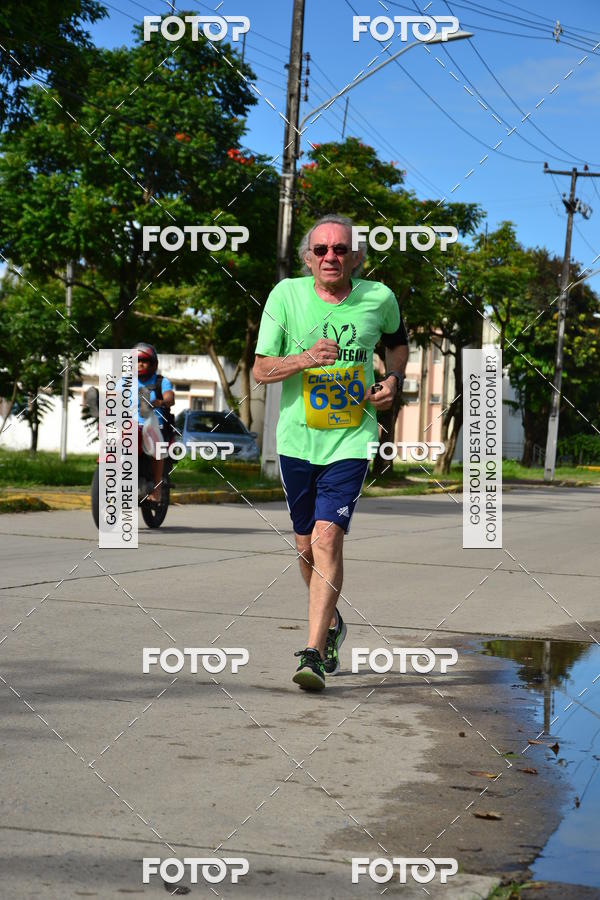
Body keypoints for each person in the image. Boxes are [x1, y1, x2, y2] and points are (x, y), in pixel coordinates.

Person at [252, 214, 408, 691]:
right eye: (321, 250)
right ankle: (334, 623)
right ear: (307, 258)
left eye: (340, 250)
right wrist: (303, 359)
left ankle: (314, 653)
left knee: (327, 538)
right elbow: (260, 370)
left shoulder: (379, 298)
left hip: (350, 439)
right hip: (298, 440)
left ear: (356, 256)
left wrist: (392, 382)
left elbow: (399, 346)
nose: (330, 257)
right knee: (304, 545)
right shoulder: (285, 297)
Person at [134, 343, 175, 503]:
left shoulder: (161, 382)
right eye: (136, 361)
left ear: (153, 363)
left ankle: (157, 490)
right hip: (130, 425)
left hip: (154, 424)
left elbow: (170, 397)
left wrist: (161, 401)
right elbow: (112, 397)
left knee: (157, 447)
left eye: (144, 361)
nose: (140, 364)